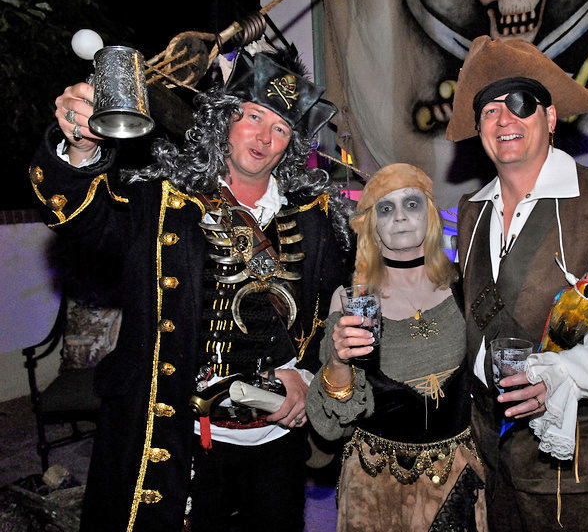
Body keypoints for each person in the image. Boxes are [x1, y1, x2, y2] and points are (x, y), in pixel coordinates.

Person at [29, 47, 352, 532]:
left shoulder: (314, 218)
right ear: (225, 119)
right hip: (179, 436)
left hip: (276, 442)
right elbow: (81, 215)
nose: (265, 137)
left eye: (281, 128)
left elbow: (330, 316)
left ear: (291, 145)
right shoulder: (163, 201)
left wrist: (306, 376)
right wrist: (81, 147)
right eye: (253, 117)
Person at [444, 36, 588, 531]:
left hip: (566, 457)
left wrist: (569, 374)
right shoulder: (471, 212)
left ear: (550, 117)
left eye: (520, 103)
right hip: (489, 453)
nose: (503, 119)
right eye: (489, 110)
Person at [305, 163, 488, 532]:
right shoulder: (351, 300)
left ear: (431, 216)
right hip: (375, 488)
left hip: (455, 482)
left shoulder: (464, 285)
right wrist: (338, 360)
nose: (400, 216)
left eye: (412, 204)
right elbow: (329, 426)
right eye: (386, 209)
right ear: (372, 224)